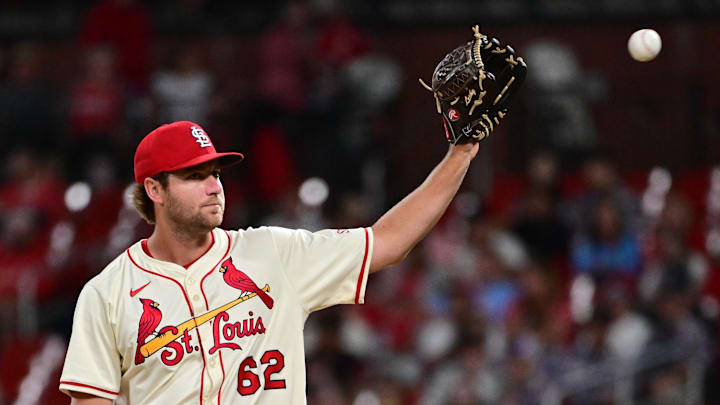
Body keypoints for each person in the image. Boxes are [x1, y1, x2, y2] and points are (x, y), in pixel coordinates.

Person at [58, 120, 479, 404]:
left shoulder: (274, 253)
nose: (213, 187)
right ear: (155, 189)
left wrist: (461, 152)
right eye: (194, 176)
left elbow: (389, 241)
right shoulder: (108, 293)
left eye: (216, 173)